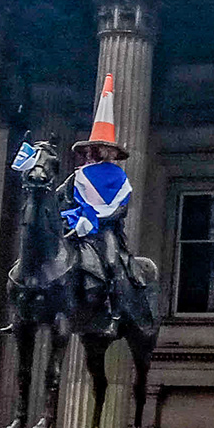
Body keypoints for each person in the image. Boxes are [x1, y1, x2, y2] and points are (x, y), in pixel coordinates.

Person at [59, 74, 145, 335]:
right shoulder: (79, 175)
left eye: (96, 150)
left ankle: (116, 313)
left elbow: (121, 209)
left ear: (107, 152)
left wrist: (97, 220)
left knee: (110, 262)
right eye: (91, 150)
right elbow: (61, 197)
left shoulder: (119, 177)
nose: (91, 154)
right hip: (77, 226)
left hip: (104, 231)